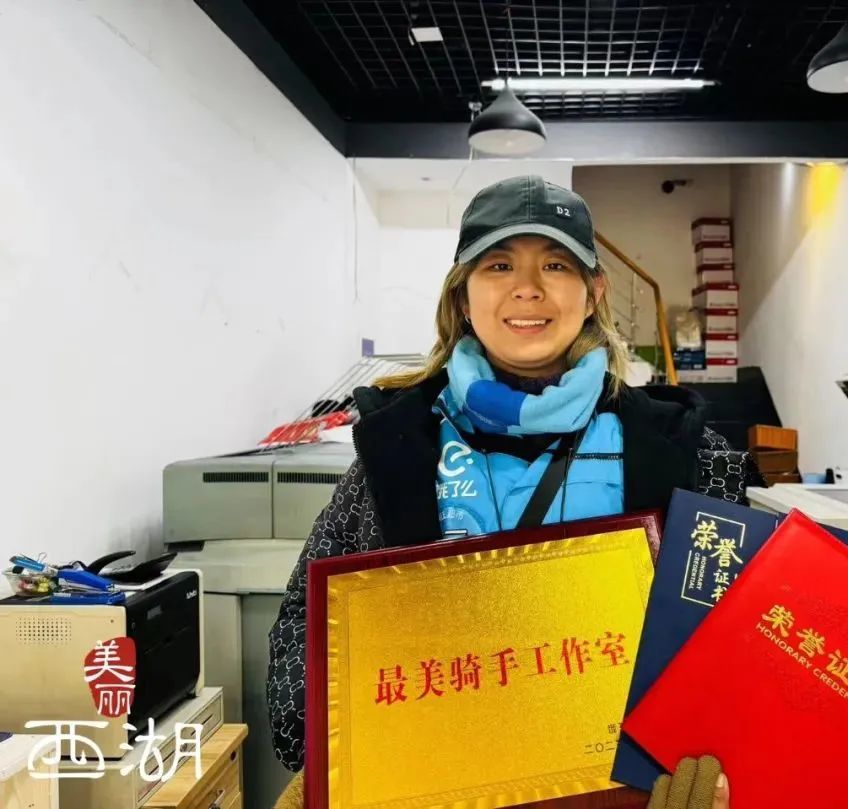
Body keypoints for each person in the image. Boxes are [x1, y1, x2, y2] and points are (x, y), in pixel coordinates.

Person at [266, 175, 761, 807]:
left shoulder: (685, 451)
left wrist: (727, 760)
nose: (528, 287)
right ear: (463, 294)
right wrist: (347, 750)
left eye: (556, 264)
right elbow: (304, 630)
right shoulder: (397, 446)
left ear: (593, 292)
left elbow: (750, 632)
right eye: (499, 264)